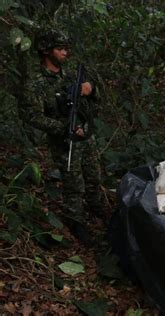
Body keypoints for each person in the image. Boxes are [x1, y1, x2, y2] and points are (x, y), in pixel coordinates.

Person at [20, 29, 103, 245]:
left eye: (66, 48)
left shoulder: (70, 75)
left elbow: (93, 99)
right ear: (46, 51)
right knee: (74, 185)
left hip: (85, 136)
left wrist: (90, 89)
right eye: (60, 48)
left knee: (94, 177)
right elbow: (32, 116)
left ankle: (98, 208)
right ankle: (76, 221)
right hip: (65, 142)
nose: (65, 52)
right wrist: (64, 128)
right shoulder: (36, 83)